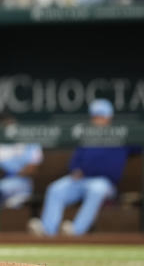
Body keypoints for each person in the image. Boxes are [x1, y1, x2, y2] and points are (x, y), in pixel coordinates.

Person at [28, 99, 129, 236]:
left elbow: (112, 168)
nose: (97, 120)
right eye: (95, 117)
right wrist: (75, 170)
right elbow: (74, 162)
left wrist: (87, 170)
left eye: (100, 117)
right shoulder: (87, 138)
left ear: (109, 117)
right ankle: (48, 230)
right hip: (81, 180)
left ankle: (75, 231)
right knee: (56, 189)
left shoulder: (120, 136)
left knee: (97, 189)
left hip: (104, 182)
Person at [0, 113, 43, 208]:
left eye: (10, 121)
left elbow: (33, 168)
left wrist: (15, 172)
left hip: (23, 183)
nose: (9, 125)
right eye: (4, 123)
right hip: (2, 183)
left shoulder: (29, 140)